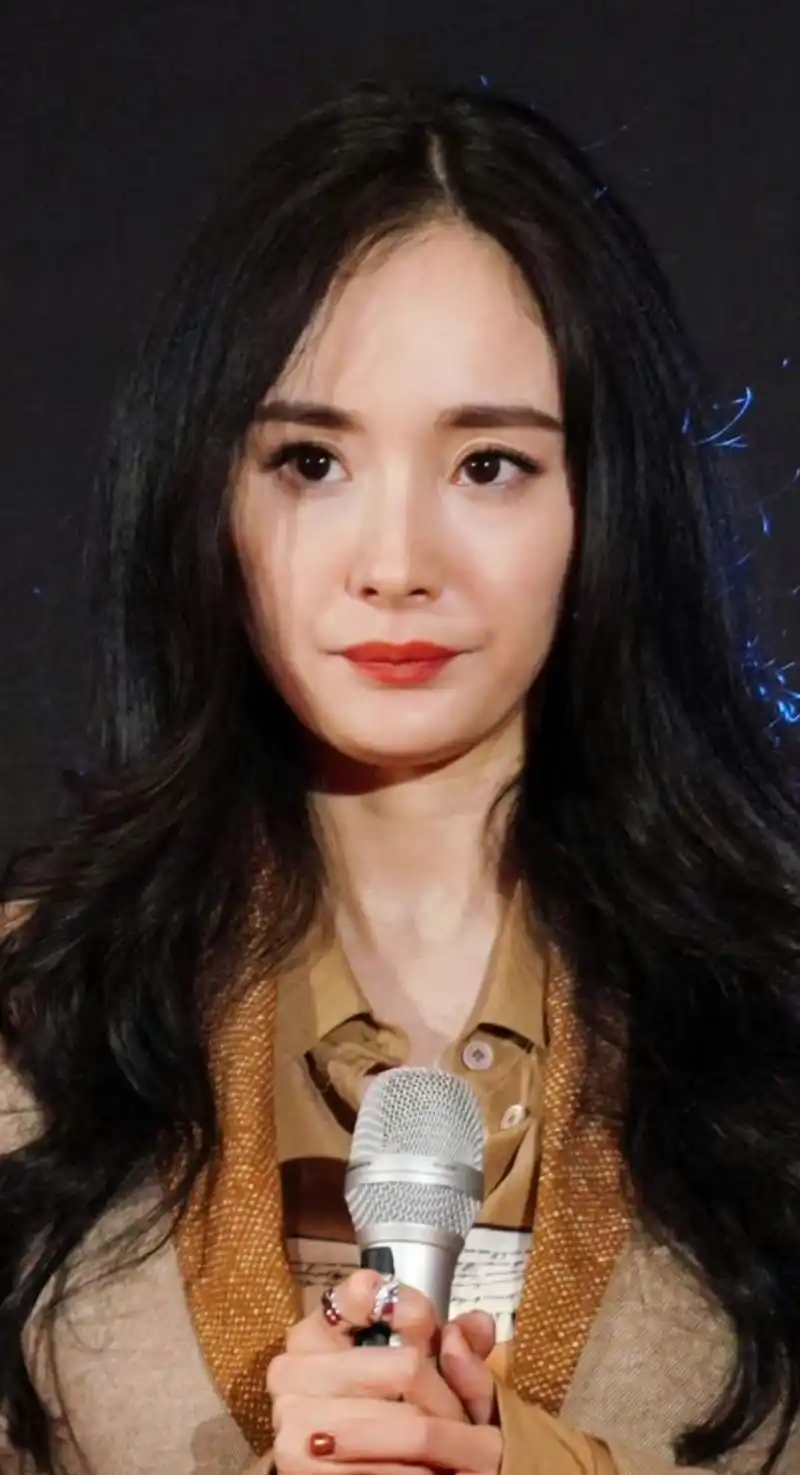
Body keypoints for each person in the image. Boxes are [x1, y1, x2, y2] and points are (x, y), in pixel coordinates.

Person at [1, 76, 800, 1475]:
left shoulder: (776, 1005)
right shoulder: (30, 1021)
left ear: (605, 503)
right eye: (311, 460)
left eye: (488, 464)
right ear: (206, 495)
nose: (396, 562)